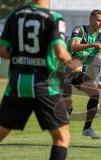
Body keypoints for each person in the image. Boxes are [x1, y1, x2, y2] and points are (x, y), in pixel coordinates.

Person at [0, 0, 82, 160]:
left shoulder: (15, 15)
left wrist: (21, 57)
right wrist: (75, 65)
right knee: (62, 137)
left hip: (17, 84)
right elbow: (60, 51)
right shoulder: (54, 18)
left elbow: (2, 50)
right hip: (45, 85)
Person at [58, 10, 101, 139]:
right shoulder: (80, 30)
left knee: (95, 94)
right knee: (68, 106)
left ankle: (87, 128)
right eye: (98, 20)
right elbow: (73, 46)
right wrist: (92, 44)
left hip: (80, 73)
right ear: (91, 19)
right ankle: (61, 132)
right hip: (65, 71)